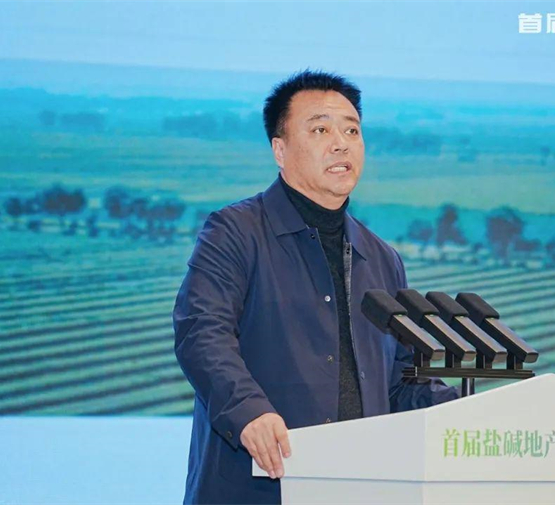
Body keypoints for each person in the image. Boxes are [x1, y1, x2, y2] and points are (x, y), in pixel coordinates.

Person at [173, 70, 459, 505]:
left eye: (352, 130)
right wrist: (248, 410)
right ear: (280, 150)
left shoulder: (382, 258)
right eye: (321, 130)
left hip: (359, 489)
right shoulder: (235, 232)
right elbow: (201, 332)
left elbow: (400, 381)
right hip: (258, 486)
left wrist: (463, 412)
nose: (341, 143)